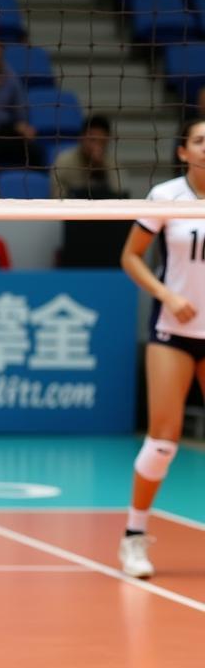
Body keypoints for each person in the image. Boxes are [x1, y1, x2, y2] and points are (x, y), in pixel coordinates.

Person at [117, 117, 205, 581]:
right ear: (183, 152)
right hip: (174, 331)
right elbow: (130, 255)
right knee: (164, 440)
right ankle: (133, 537)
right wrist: (167, 295)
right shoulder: (166, 196)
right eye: (200, 141)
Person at [50, 113, 126, 198]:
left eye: (101, 142)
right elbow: (57, 196)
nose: (96, 146)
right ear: (81, 138)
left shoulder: (112, 163)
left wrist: (101, 169)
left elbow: (120, 193)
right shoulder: (64, 161)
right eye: (92, 140)